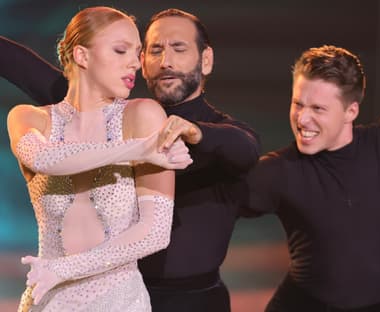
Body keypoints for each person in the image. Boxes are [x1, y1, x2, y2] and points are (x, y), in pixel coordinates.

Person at [0, 8, 261, 312]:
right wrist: (140, 147)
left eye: (178, 48)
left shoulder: (181, 125)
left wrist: (195, 133)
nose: (165, 61)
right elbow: (48, 79)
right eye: (153, 50)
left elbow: (245, 149)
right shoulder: (116, 113)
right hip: (62, 294)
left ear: (206, 60)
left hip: (179, 300)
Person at [234, 45, 380, 312]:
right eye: (298, 104)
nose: (302, 118)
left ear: (351, 111)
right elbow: (210, 203)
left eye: (318, 108)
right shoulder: (280, 170)